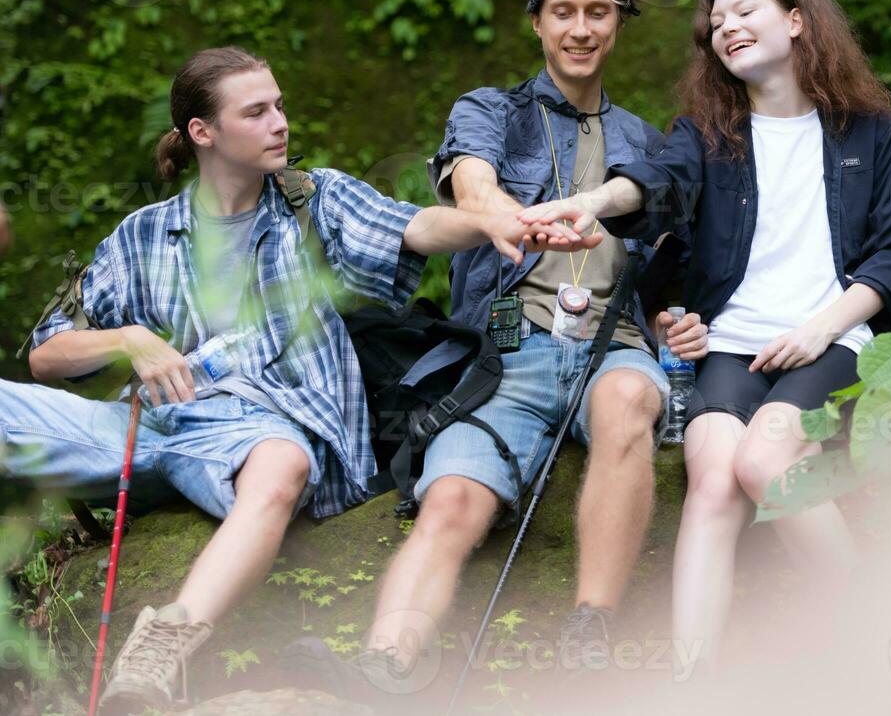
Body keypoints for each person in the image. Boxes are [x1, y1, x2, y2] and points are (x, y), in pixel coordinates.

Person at [7, 46, 588, 715]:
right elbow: (47, 357)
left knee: (280, 465)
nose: (280, 120)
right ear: (204, 132)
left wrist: (494, 221)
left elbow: (417, 227)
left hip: (264, 436)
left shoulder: (315, 202)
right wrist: (129, 340)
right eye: (256, 111)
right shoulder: (143, 235)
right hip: (150, 425)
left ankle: (158, 653)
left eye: (278, 104)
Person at [288, 0, 709, 699]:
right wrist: (514, 218)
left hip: (609, 344)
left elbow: (672, 259)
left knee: (628, 402)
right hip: (505, 348)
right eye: (563, 13)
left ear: (619, 24)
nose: (581, 29)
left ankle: (591, 630)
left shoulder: (645, 141)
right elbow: (471, 185)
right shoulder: (490, 110)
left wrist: (681, 319)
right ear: (538, 24)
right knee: (451, 497)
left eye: (598, 13)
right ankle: (389, 661)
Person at [520, 0, 891, 666]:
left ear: (796, 20)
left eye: (745, 12)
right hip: (732, 345)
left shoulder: (870, 133)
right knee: (712, 476)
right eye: (716, 24)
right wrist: (590, 202)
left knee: (767, 460)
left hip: (832, 335)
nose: (726, 28)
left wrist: (819, 329)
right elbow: (654, 184)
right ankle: (692, 681)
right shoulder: (708, 134)